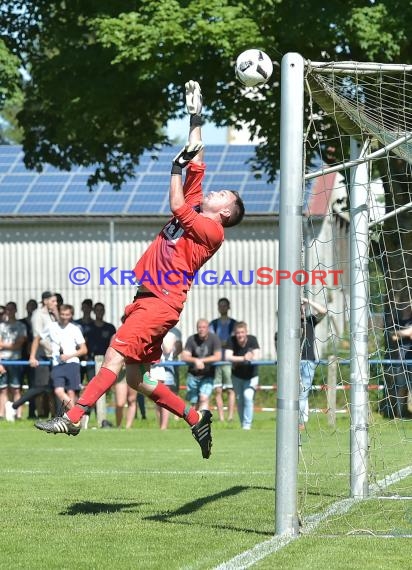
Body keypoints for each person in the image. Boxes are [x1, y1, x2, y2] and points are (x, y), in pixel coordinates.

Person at [35, 80, 245, 460]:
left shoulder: (212, 229)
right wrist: (196, 117)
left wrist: (172, 171)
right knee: (136, 378)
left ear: (226, 213)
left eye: (224, 195)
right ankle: (195, 416)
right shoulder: (201, 207)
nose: (217, 192)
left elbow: (178, 205)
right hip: (149, 301)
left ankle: (76, 416)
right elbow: (196, 159)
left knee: (113, 359)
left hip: (160, 303)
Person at [30, 304, 88, 412]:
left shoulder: (75, 329)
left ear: (71, 315)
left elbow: (84, 350)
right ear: (59, 314)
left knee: (71, 392)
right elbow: (37, 338)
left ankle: (72, 420)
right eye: (62, 314)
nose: (65, 317)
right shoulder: (51, 326)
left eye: (67, 314)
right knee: (58, 391)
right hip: (57, 364)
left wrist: (69, 355)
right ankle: (77, 414)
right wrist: (32, 357)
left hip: (72, 363)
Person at [298, 296, 327, 429]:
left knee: (304, 392)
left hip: (309, 361)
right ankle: (298, 419)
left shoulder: (310, 320)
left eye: (301, 306)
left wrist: (308, 300)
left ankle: (300, 421)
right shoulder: (288, 322)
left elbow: (324, 311)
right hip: (294, 362)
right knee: (295, 392)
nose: (301, 308)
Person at [225, 321, 260, 430]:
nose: (240, 335)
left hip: (252, 375)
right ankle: (243, 424)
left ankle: (247, 425)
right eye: (238, 333)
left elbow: (258, 355)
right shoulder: (231, 340)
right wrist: (244, 358)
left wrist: (251, 355)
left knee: (248, 397)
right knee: (240, 399)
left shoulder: (253, 339)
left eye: (242, 332)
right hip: (237, 376)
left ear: (246, 332)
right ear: (235, 333)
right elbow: (227, 356)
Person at [181, 319, 221, 412]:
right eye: (199, 327)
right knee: (194, 402)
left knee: (203, 398)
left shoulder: (214, 338)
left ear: (208, 329)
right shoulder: (191, 339)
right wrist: (195, 360)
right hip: (193, 374)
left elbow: (218, 356)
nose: (201, 329)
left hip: (208, 374)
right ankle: (195, 423)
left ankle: (203, 421)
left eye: (204, 327)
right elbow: (184, 356)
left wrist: (201, 360)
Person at [209, 298, 237, 421]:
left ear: (228, 307)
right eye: (220, 306)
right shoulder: (213, 324)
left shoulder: (234, 324)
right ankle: (221, 418)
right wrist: (223, 343)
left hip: (229, 361)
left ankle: (230, 417)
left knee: (230, 390)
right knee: (218, 390)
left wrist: (220, 343)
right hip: (216, 362)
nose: (222, 308)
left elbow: (234, 341)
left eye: (225, 305)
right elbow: (211, 340)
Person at [151, 326, 183, 429]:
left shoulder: (172, 335)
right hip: (154, 369)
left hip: (166, 370)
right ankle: (160, 425)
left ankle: (164, 426)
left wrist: (160, 336)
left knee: (164, 398)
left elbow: (167, 350)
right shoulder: (153, 332)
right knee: (157, 400)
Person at [0, 302, 28, 421]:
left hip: (16, 360)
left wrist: (4, 345)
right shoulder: (1, 326)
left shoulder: (21, 326)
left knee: (16, 389)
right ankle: (2, 414)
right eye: (7, 309)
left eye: (11, 309)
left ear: (16, 310)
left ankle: (19, 414)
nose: (9, 312)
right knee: (3, 389)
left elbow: (20, 344)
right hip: (3, 360)